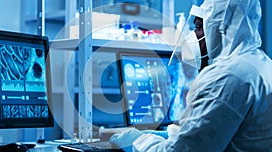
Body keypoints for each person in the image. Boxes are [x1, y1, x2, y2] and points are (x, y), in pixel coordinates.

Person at [110, 0, 272, 151]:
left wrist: (139, 141)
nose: (193, 36)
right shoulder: (261, 63)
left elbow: (183, 150)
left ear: (218, 28)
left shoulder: (226, 77)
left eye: (198, 28)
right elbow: (212, 131)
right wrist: (170, 134)